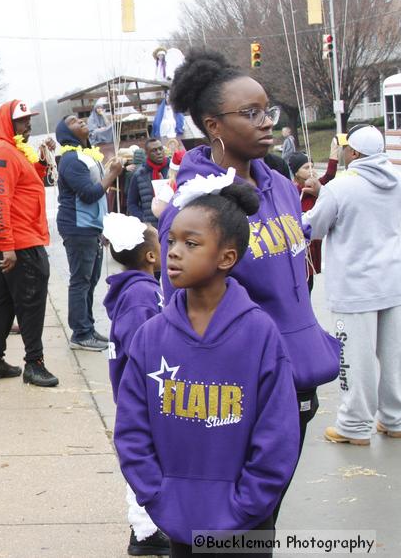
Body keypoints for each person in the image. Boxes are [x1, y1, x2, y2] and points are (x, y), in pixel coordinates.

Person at [158, 49, 340, 518]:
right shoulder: (197, 207)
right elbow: (183, 316)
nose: (267, 123)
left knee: (264, 523)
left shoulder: (279, 183)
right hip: (242, 396)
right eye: (251, 113)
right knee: (233, 528)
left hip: (301, 380)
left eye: (268, 111)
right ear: (213, 125)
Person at [115, 183, 299, 558]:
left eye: (191, 244)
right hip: (176, 515)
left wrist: (247, 503)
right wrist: (156, 495)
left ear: (226, 257)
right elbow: (132, 427)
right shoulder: (151, 336)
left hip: (247, 523)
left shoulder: (259, 333)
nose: (174, 253)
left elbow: (277, 433)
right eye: (171, 242)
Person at [302, 125, 401, 446]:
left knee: (354, 360)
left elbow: (314, 228)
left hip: (354, 288)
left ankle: (355, 425)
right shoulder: (398, 179)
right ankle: (395, 418)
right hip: (394, 281)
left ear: (354, 153)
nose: (343, 151)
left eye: (346, 148)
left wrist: (316, 197)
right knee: (395, 357)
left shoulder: (342, 187)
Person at [101, 214, 169, 557]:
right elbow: (141, 347)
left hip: (141, 392)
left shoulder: (140, 290)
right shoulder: (142, 295)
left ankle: (149, 527)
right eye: (162, 243)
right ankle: (145, 531)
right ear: (151, 256)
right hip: (142, 394)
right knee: (145, 460)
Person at [0, 100, 59, 387]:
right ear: (8, 123)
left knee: (2, 302)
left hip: (11, 239)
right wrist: (7, 246)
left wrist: (40, 161)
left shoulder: (8, 150)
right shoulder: (2, 150)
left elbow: (23, 185)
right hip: (19, 241)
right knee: (31, 301)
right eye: (23, 120)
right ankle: (34, 364)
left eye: (29, 119)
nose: (29, 125)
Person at [55, 115, 124, 351]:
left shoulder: (87, 156)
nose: (81, 120)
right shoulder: (71, 159)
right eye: (73, 121)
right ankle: (80, 334)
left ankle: (88, 327)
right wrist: (112, 174)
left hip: (91, 226)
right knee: (81, 280)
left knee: (91, 279)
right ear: (66, 133)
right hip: (78, 226)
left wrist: (103, 226)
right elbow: (89, 193)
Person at [285, 139, 340, 293]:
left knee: (309, 282)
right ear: (296, 172)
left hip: (312, 244)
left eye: (312, 166)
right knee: (300, 283)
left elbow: (329, 174)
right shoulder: (291, 190)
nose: (311, 170)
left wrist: (334, 150)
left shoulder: (316, 187)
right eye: (305, 167)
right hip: (297, 245)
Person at [127, 138, 169, 226]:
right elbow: (131, 203)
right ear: (147, 154)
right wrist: (144, 219)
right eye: (154, 150)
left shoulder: (172, 170)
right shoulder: (139, 175)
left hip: (173, 224)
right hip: (152, 227)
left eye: (160, 149)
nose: (158, 152)